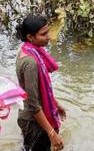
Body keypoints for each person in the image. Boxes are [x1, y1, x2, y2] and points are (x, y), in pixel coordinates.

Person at [16, 14, 66, 151]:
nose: (48, 36)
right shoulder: (30, 62)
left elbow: (37, 90)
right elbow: (33, 104)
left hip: (31, 117)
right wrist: (51, 133)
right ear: (30, 37)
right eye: (43, 34)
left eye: (47, 32)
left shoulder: (27, 50)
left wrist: (56, 104)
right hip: (33, 122)